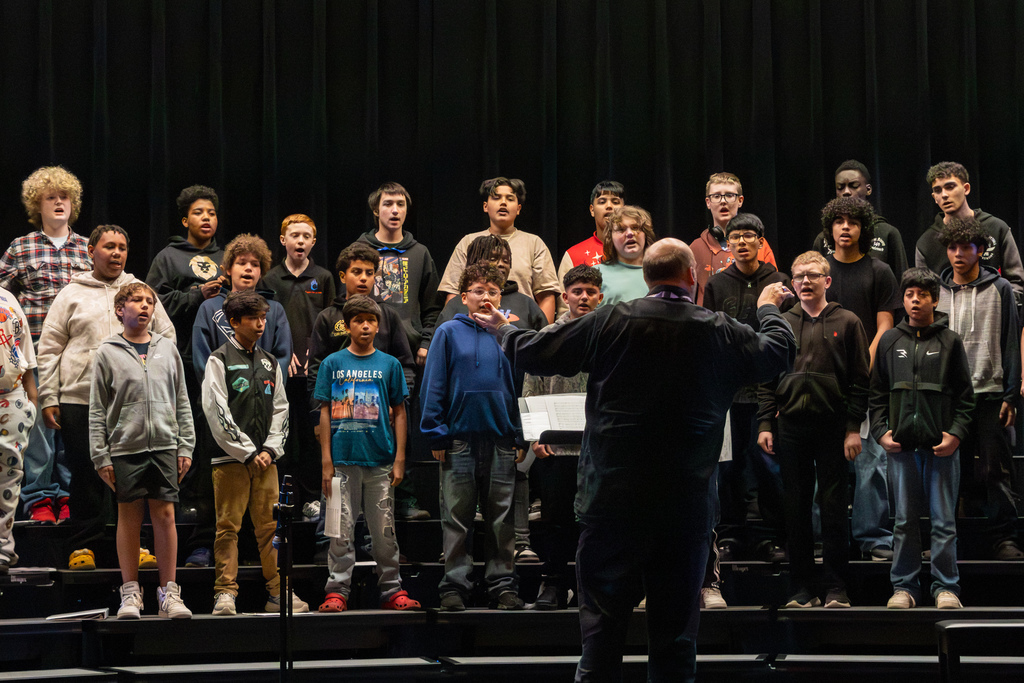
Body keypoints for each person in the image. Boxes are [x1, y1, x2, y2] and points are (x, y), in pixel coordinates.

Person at [472, 238, 795, 682]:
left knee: (601, 638)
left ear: (646, 278)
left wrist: (500, 328)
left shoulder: (611, 320)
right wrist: (768, 307)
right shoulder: (717, 328)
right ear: (692, 277)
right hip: (684, 507)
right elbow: (779, 351)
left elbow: (534, 352)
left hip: (612, 502)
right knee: (676, 643)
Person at [38, 225, 175, 570]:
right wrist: (48, 396)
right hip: (79, 398)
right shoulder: (71, 294)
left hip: (130, 402)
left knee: (132, 476)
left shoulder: (139, 292)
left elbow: (167, 338)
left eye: (122, 247)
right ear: (91, 251)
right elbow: (50, 348)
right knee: (84, 474)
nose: (117, 253)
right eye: (109, 246)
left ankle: (138, 546)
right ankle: (83, 545)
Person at [757, 251, 869, 609]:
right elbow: (766, 376)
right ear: (791, 283)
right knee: (796, 508)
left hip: (833, 426)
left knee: (834, 508)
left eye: (813, 275)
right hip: (790, 426)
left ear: (827, 281)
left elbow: (860, 380)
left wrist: (854, 428)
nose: (805, 282)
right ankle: (801, 588)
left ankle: (837, 587)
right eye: (799, 276)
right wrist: (764, 422)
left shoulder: (848, 321)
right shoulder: (780, 322)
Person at [421, 263, 527, 612]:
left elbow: (518, 387)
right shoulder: (448, 332)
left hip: (500, 439)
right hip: (458, 440)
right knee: (457, 517)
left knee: (502, 519)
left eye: (492, 292)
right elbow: (434, 383)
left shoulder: (508, 333)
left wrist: (520, 433)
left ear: (501, 297)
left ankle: (502, 585)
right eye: (479, 291)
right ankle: (454, 585)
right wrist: (436, 433)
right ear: (464, 297)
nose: (486, 297)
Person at [90, 283, 195, 619]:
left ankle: (169, 592)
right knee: (129, 517)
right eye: (136, 300)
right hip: (124, 446)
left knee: (164, 515)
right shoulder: (107, 351)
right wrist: (100, 454)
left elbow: (182, 399)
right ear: (120, 309)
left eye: (150, 301)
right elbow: (96, 408)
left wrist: (186, 444)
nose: (145, 306)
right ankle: (131, 593)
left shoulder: (168, 348)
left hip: (165, 443)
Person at [871, 268, 974, 610]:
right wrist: (881, 432)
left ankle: (946, 588)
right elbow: (876, 394)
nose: (915, 301)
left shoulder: (950, 341)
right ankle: (904, 588)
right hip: (901, 449)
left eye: (922, 295)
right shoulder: (890, 341)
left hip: (941, 450)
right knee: (903, 522)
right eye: (910, 295)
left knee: (944, 522)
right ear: (903, 300)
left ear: (934, 299)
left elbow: (965, 397)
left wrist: (956, 435)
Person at [201, 290, 309, 616]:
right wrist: (247, 451)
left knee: (271, 529)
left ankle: (279, 593)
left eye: (263, 318)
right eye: (253, 318)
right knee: (227, 528)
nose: (261, 324)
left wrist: (270, 449)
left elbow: (282, 409)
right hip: (230, 459)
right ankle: (225, 594)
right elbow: (215, 410)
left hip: (266, 460)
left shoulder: (270, 362)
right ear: (234, 322)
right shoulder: (218, 359)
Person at [314, 295, 421, 613]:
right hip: (342, 462)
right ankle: (337, 590)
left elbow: (400, 412)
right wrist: (326, 461)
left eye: (371, 320)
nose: (365, 325)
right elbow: (324, 412)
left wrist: (400, 458)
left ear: (379, 325)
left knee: (384, 532)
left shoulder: (390, 365)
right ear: (347, 326)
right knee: (339, 530)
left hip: (380, 461)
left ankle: (391, 589)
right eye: (358, 320)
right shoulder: (332, 363)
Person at [0, 166, 89, 524]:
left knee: (71, 422)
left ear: (73, 203)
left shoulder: (87, 247)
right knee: (37, 424)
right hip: (35, 353)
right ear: (37, 205)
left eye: (63, 197)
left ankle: (68, 494)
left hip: (77, 354)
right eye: (50, 197)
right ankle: (39, 497)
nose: (58, 203)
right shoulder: (21, 248)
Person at [704, 212, 791, 576]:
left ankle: (771, 536)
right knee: (730, 467)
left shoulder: (780, 281)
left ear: (760, 241)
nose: (741, 242)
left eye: (748, 236)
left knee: (767, 466)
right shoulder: (716, 284)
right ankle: (730, 534)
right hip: (728, 391)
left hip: (768, 392)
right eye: (734, 237)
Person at [145, 184, 225, 570]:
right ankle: (183, 518)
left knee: (214, 445)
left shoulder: (228, 257)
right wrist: (197, 295)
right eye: (198, 213)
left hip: (220, 366)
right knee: (183, 439)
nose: (206, 218)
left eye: (211, 212)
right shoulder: (169, 257)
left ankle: (212, 534)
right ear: (184, 220)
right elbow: (151, 304)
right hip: (178, 364)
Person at [936, 217, 1023, 560]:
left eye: (966, 247)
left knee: (994, 469)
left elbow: (1011, 343)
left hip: (989, 392)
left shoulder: (999, 288)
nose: (958, 254)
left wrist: (1011, 395)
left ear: (981, 251)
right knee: (945, 472)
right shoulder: (937, 291)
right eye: (952, 247)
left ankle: (1005, 538)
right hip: (947, 397)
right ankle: (946, 541)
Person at [820, 196, 901, 561]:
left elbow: (885, 325)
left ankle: (874, 537)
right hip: (823, 381)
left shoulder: (879, 270)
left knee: (871, 461)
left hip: (868, 380)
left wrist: (862, 367)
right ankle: (823, 537)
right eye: (839, 221)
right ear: (830, 229)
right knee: (824, 463)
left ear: (863, 229)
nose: (846, 227)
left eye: (853, 221)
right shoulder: (820, 272)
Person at [521, 264, 603, 609]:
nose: (583, 297)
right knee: (555, 521)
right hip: (554, 449)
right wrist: (534, 438)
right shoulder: (547, 337)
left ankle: (592, 587)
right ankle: (553, 583)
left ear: (600, 297)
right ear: (565, 296)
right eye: (577, 291)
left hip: (597, 449)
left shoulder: (609, 336)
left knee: (596, 521)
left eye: (590, 292)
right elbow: (531, 387)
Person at [262, 214, 336, 516]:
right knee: (282, 434)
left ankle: (311, 498)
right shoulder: (270, 279)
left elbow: (332, 321)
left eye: (306, 236)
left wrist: (313, 353)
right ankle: (281, 498)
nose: (300, 241)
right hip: (281, 368)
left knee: (311, 436)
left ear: (313, 242)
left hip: (313, 371)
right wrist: (285, 351)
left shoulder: (324, 277)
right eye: (294, 235)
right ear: (283, 240)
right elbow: (266, 322)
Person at [437, 177, 561, 323]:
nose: (503, 202)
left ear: (519, 208)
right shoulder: (468, 242)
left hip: (520, 330)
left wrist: (540, 337)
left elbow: (546, 296)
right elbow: (454, 293)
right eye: (496, 198)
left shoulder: (534, 243)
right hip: (474, 325)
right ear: (485, 206)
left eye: (510, 198)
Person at [357, 182, 443, 365]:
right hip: (365, 348)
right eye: (388, 204)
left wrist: (426, 342)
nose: (395, 210)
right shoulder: (358, 251)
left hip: (409, 350)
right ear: (375, 210)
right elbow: (346, 302)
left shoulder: (420, 253)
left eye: (400, 204)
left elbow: (433, 308)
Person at [915, 161, 1024, 305]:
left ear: (966, 188)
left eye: (950, 187)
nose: (944, 195)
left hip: (992, 318)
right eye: (938, 190)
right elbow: (924, 293)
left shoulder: (996, 228)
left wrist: (1001, 311)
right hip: (946, 322)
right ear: (934, 196)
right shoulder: (926, 242)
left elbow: (1016, 282)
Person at [192, 234, 292, 381]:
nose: (248, 268)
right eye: (241, 263)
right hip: (222, 396)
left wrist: (266, 390)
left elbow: (282, 358)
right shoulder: (209, 308)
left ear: (261, 272)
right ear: (228, 269)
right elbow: (202, 359)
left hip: (264, 396)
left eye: (255, 264)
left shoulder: (274, 310)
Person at [690, 172, 777, 307]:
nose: (723, 201)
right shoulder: (696, 248)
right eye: (716, 196)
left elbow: (774, 288)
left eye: (729, 195)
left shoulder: (759, 244)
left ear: (740, 200)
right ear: (708, 202)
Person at [813, 160, 909, 282]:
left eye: (854, 186)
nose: (846, 192)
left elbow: (903, 282)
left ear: (868, 189)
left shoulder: (887, 233)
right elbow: (814, 281)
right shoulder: (824, 239)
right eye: (840, 187)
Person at [0, 283, 38, 573]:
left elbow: (25, 351)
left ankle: (3, 547)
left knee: (9, 475)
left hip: (11, 396)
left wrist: (31, 400)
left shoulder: (8, 297)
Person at [556, 181, 625, 281]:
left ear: (625, 209)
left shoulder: (637, 251)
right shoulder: (573, 255)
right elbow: (565, 295)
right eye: (602, 202)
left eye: (615, 202)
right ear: (592, 210)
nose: (609, 206)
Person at [594, 205, 655, 306]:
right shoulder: (596, 274)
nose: (630, 234)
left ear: (646, 234)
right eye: (621, 229)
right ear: (610, 238)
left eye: (635, 228)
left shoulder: (661, 272)